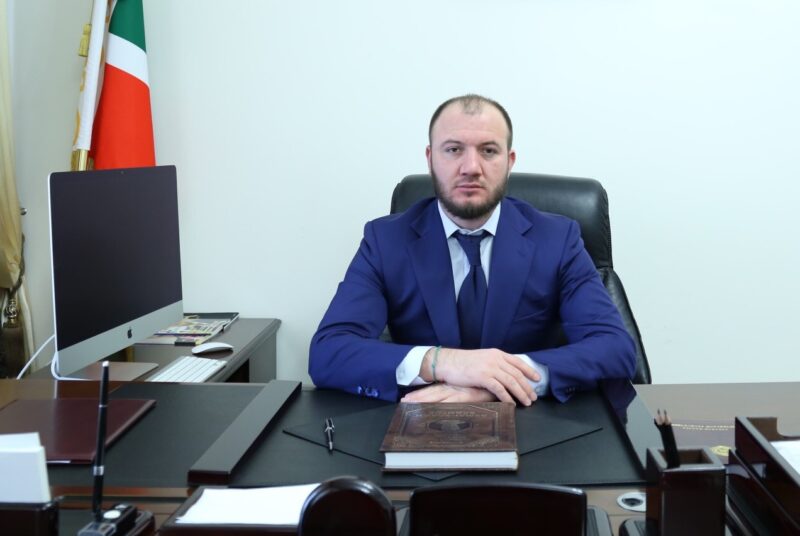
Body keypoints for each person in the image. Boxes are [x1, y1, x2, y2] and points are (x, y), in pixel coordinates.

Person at [309, 94, 635, 405]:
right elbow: (329, 352)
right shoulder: (385, 241)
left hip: (532, 421)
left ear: (509, 162)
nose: (471, 167)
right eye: (453, 150)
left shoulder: (558, 239)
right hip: (421, 418)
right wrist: (444, 363)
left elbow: (615, 348)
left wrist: (497, 383)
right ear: (430, 159)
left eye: (488, 151)